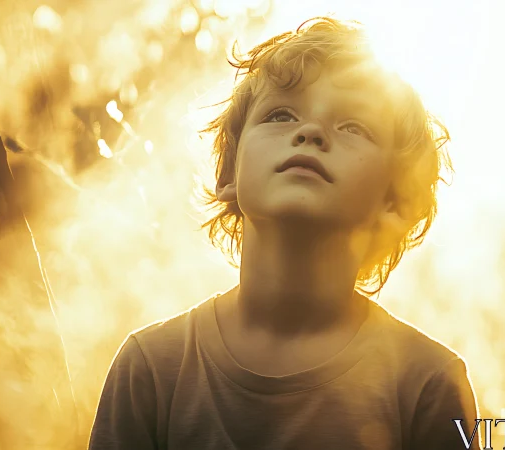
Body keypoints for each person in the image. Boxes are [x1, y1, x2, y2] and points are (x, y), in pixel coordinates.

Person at [88, 16, 482, 450]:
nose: (309, 132)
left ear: (394, 200)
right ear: (228, 174)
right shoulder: (151, 370)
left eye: (354, 126)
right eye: (280, 114)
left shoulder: (425, 385)